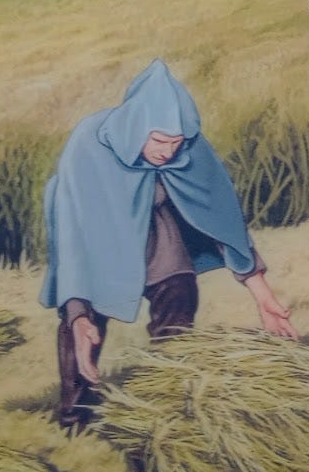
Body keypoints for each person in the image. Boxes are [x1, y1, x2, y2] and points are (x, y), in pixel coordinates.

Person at [39, 58, 295, 429]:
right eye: (160, 141)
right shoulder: (88, 144)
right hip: (99, 236)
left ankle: (170, 389)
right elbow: (73, 235)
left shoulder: (189, 148)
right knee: (84, 322)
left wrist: (262, 294)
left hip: (157, 230)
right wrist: (78, 313)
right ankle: (76, 410)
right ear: (137, 127)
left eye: (176, 143)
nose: (169, 153)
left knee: (179, 291)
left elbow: (219, 219)